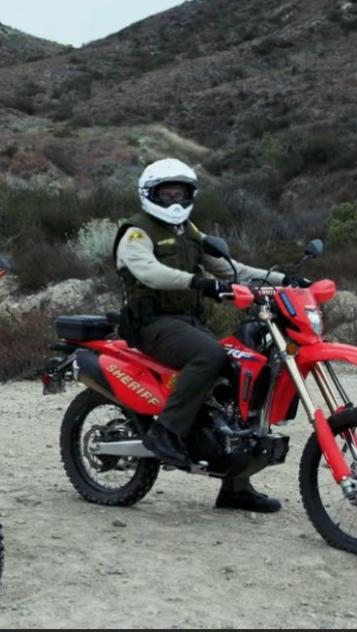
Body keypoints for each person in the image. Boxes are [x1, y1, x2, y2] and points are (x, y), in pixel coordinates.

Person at [113, 158, 302, 514]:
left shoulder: (190, 231)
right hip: (152, 326)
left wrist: (284, 280)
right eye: (166, 194)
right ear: (149, 194)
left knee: (243, 373)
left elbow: (233, 270)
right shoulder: (136, 232)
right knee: (210, 357)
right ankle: (165, 432)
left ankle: (235, 486)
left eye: (180, 194)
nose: (174, 202)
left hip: (186, 322)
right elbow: (150, 273)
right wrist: (198, 282)